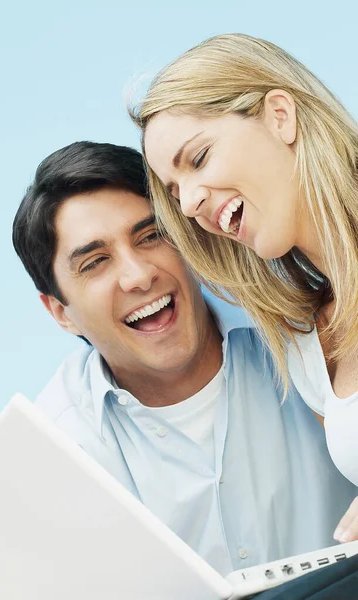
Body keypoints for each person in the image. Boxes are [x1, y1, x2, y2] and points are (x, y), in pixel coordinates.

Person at [12, 140, 357, 577]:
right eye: (95, 262)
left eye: (151, 236)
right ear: (61, 313)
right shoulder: (57, 451)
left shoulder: (307, 331)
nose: (139, 276)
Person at [130, 33, 358, 542]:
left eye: (199, 158)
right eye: (174, 191)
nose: (188, 204)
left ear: (280, 116)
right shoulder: (306, 349)